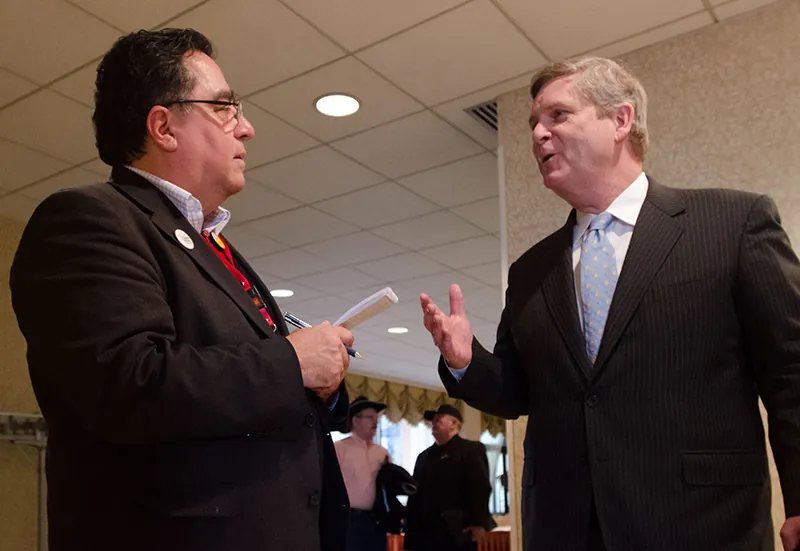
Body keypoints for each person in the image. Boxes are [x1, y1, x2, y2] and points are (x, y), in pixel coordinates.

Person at [420, 56, 800, 551]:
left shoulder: (733, 223)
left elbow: (792, 373)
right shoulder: (530, 271)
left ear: (620, 120)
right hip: (565, 529)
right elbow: (516, 392)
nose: (538, 133)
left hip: (702, 526)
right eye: (534, 122)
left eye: (557, 115)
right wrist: (466, 361)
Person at [10, 28, 355, 551]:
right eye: (224, 108)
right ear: (163, 126)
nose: (248, 128)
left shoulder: (214, 246)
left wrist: (321, 381)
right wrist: (293, 362)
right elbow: (129, 383)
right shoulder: (88, 220)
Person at [404, 404, 494, 551]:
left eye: (439, 419)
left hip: (457, 530)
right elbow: (416, 495)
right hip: (424, 533)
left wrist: (478, 523)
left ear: (454, 423)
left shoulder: (470, 450)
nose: (434, 422)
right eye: (433, 420)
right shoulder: (424, 457)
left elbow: (479, 487)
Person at [335, 396, 391, 551]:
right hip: (348, 520)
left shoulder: (382, 453)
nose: (376, 422)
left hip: (376, 520)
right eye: (370, 418)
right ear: (356, 420)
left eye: (377, 418)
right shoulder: (339, 449)